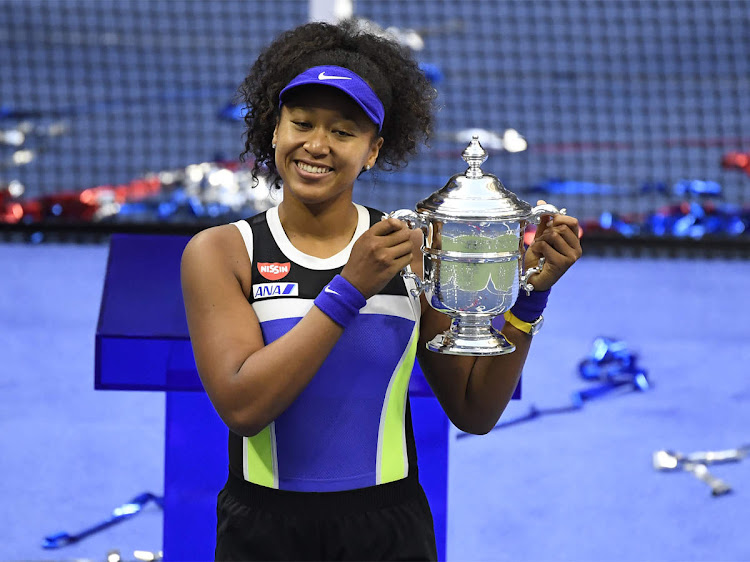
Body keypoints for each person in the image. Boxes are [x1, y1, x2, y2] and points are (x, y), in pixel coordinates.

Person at [180, 19, 582, 562]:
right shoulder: (221, 251)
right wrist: (350, 289)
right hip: (263, 533)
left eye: (344, 132)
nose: (316, 145)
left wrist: (530, 297)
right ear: (274, 131)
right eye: (301, 123)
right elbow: (244, 408)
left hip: (388, 533)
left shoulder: (408, 250)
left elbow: (474, 409)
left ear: (373, 151)